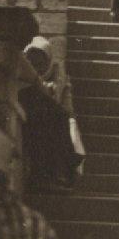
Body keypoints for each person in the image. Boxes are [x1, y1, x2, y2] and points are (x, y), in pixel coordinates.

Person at [18, 36, 83, 191]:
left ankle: (62, 173)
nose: (36, 66)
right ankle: (57, 173)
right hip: (34, 115)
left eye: (40, 61)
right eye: (31, 60)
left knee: (64, 121)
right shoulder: (24, 76)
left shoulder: (59, 78)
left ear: (48, 61)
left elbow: (67, 108)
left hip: (53, 119)